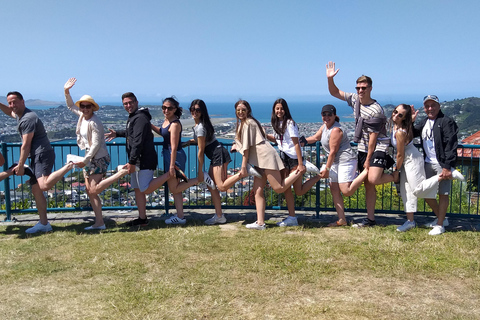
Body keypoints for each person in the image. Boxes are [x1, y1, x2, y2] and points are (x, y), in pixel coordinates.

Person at [326, 61, 395, 227]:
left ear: (370, 88)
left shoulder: (376, 109)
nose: (360, 91)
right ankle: (370, 219)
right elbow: (335, 92)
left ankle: (396, 177)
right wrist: (330, 79)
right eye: (358, 88)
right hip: (362, 147)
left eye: (363, 88)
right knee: (368, 185)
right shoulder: (355, 100)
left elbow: (373, 136)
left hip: (378, 146)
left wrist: (367, 159)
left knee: (372, 177)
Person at [0, 92, 75, 233]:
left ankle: (69, 165)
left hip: (42, 154)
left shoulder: (28, 118)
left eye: (15, 102)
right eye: (10, 102)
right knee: (36, 190)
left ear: (23, 101)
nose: (12, 105)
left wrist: (21, 166)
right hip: (36, 156)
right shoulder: (20, 115)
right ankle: (44, 224)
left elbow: (26, 145)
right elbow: (9, 111)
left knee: (44, 185)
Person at [64, 78, 130, 230]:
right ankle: (99, 222)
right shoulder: (82, 116)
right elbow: (70, 106)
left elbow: (95, 144)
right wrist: (66, 91)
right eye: (83, 106)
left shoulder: (95, 122)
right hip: (89, 157)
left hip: (98, 158)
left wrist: (85, 160)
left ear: (93, 108)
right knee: (90, 192)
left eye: (88, 106)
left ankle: (120, 173)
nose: (85, 108)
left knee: (94, 190)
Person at [231, 100, 304, 230]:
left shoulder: (248, 123)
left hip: (265, 156)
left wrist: (243, 166)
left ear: (248, 110)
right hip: (258, 159)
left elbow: (246, 148)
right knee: (257, 191)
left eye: (243, 110)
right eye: (238, 110)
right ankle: (260, 222)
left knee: (279, 188)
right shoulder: (244, 124)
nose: (240, 112)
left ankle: (301, 170)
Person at [105, 92, 171, 227]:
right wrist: (117, 133)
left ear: (136, 102)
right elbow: (131, 133)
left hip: (144, 159)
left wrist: (132, 162)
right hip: (138, 159)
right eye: (125, 103)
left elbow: (138, 141)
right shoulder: (134, 117)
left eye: (130, 102)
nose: (128, 105)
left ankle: (170, 174)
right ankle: (142, 218)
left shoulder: (140, 118)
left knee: (145, 188)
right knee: (137, 189)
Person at [151, 97, 215, 225]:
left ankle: (200, 179)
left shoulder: (174, 124)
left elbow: (174, 147)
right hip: (168, 155)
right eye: (164, 107)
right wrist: (150, 125)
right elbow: (163, 132)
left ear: (175, 109)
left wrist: (171, 166)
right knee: (176, 189)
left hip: (174, 157)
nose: (166, 110)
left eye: (169, 108)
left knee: (174, 188)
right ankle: (180, 216)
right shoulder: (166, 121)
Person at [304, 105, 368, 226]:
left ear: (334, 116)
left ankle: (365, 172)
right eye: (324, 114)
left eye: (329, 114)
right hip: (334, 162)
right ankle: (342, 219)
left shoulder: (336, 130)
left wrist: (327, 169)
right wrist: (301, 141)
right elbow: (315, 137)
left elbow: (333, 151)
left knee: (346, 191)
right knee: (334, 189)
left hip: (345, 160)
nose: (326, 117)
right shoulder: (325, 127)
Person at [266, 98, 321, 227]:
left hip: (294, 159)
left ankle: (318, 175)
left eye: (281, 108)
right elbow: (279, 140)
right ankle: (292, 217)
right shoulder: (276, 123)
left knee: (298, 191)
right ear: (274, 110)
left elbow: (296, 144)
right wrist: (266, 135)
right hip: (283, 159)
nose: (279, 111)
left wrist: (301, 164)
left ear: (285, 110)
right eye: (277, 108)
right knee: (288, 190)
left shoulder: (290, 123)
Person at [413, 95, 461, 235]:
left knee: (443, 194)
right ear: (424, 108)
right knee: (426, 192)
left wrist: (447, 166)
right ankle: (442, 219)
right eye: (427, 106)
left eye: (433, 105)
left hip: (442, 163)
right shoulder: (424, 122)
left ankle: (440, 224)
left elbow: (451, 145)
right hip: (428, 163)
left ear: (439, 106)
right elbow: (413, 133)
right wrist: (411, 121)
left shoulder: (446, 122)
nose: (430, 108)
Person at [182, 99, 233, 225]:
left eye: (198, 110)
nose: (195, 112)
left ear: (202, 111)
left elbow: (201, 150)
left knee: (220, 186)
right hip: (217, 154)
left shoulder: (200, 127)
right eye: (193, 109)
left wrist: (200, 170)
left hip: (217, 155)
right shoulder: (202, 125)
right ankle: (219, 216)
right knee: (212, 187)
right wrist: (189, 142)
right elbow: (202, 141)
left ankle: (244, 172)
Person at [390, 104, 438, 232]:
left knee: (418, 189)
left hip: (411, 159)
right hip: (406, 160)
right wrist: (412, 119)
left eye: (400, 115)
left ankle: (441, 217)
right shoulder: (396, 126)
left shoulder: (400, 132)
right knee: (406, 190)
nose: (395, 115)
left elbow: (400, 154)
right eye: (395, 111)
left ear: (403, 118)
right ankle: (410, 221)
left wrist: (396, 171)